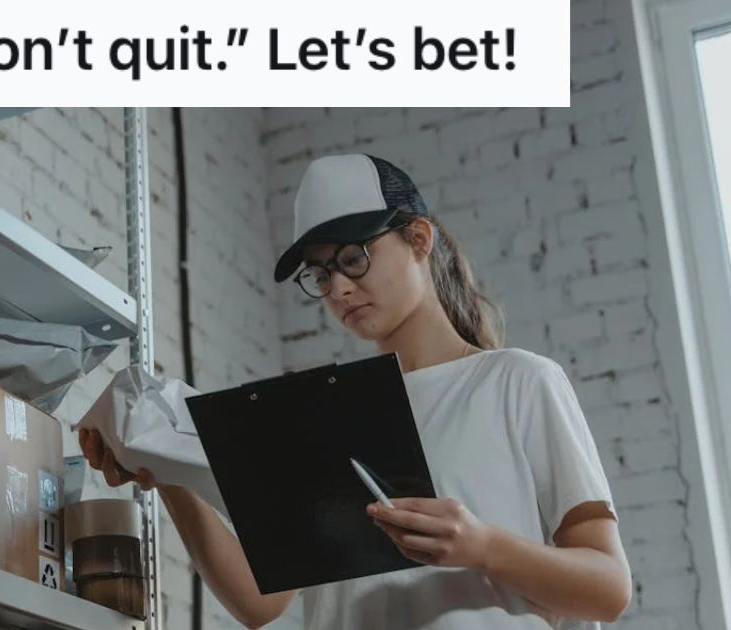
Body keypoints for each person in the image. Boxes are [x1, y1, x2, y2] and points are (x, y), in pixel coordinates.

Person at [79, 154, 632, 629]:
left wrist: (483, 546)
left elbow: (609, 587)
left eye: (353, 258)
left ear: (418, 239)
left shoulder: (516, 382)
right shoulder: (317, 415)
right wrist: (166, 472)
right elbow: (261, 602)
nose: (339, 288)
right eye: (321, 275)